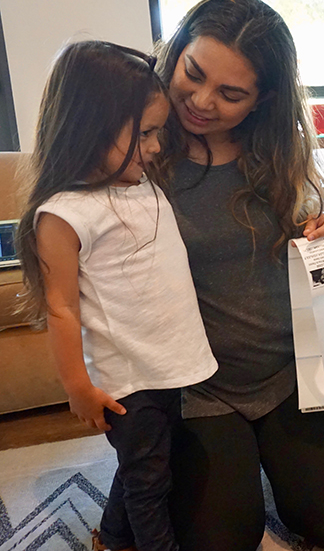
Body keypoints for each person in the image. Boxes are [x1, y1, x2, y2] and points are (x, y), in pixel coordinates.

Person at [152, 0, 324, 550]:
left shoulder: (279, 153)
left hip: (294, 370)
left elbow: (311, 245)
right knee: (221, 541)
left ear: (262, 99)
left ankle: (268, 455)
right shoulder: (139, 152)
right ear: (174, 53)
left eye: (230, 94)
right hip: (197, 387)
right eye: (192, 74)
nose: (200, 102)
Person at [15, 41, 218, 551]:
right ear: (90, 127)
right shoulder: (65, 213)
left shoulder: (140, 182)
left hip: (167, 364)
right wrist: (77, 386)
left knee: (146, 464)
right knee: (151, 482)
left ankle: (111, 537)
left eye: (157, 133)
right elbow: (62, 307)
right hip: (129, 379)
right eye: (145, 134)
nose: (154, 147)